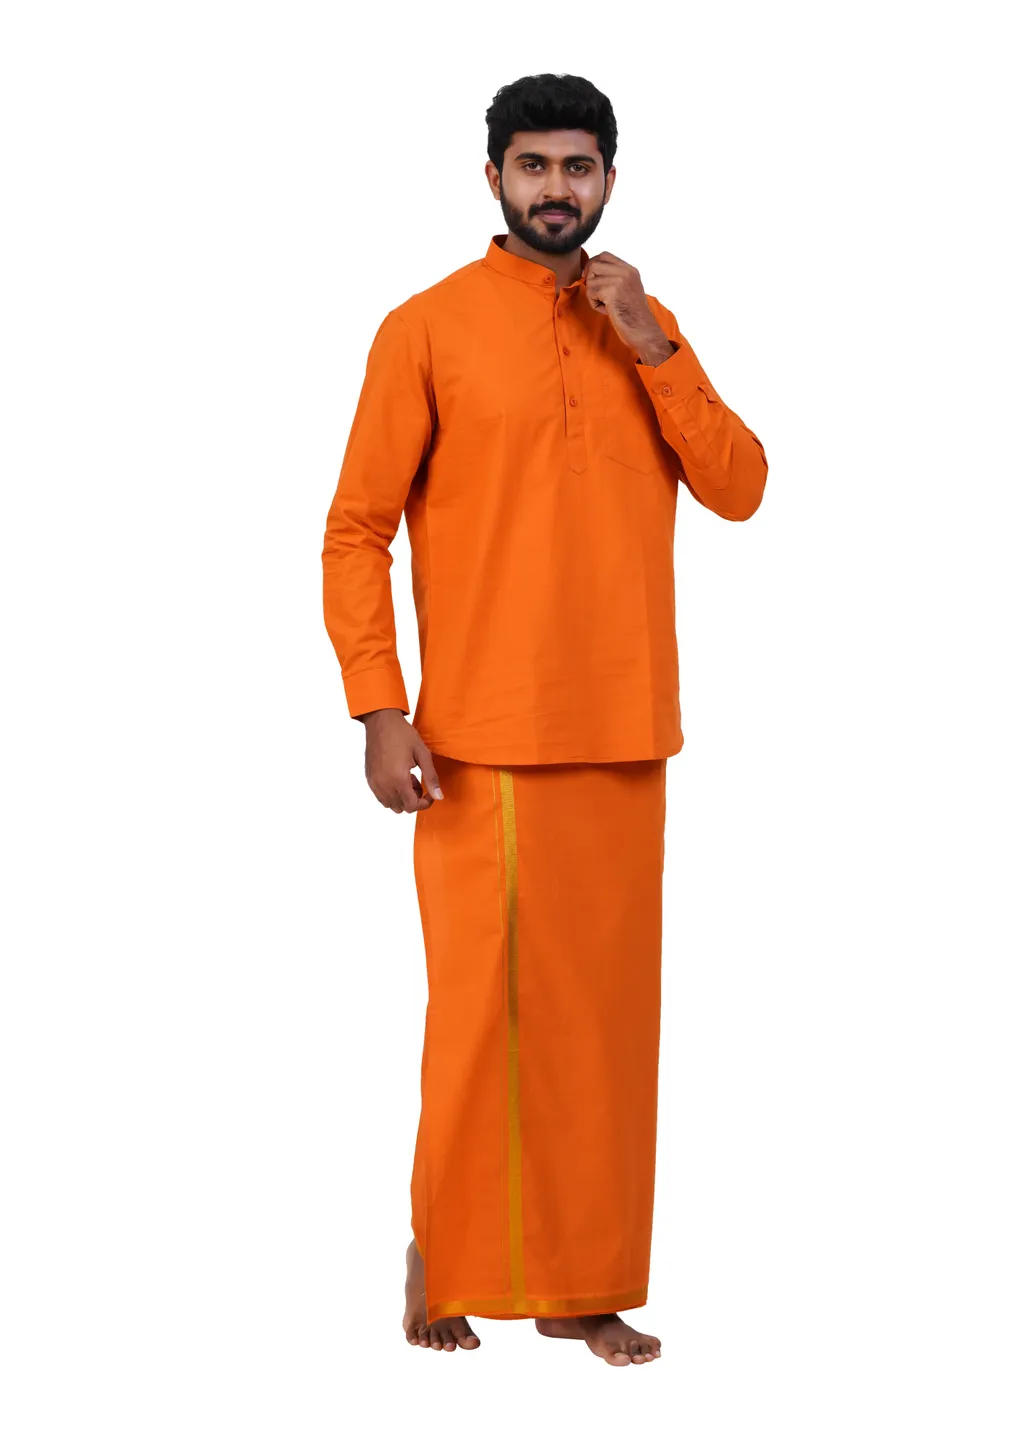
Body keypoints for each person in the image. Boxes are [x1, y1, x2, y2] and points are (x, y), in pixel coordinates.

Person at [322, 72, 768, 1366]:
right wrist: (379, 704)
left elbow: (740, 487)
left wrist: (652, 346)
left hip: (624, 730)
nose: (557, 189)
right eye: (534, 166)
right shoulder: (426, 328)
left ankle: (582, 1286)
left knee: (604, 1034)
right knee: (482, 1019)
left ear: (610, 180)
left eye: (579, 166)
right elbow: (355, 530)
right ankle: (447, 1256)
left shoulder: (648, 325)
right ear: (495, 179)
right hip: (481, 736)